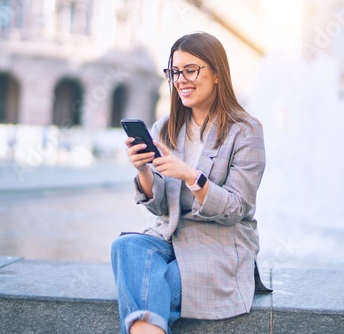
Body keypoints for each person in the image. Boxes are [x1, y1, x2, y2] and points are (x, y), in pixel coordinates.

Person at [111, 32, 270, 334]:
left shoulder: (246, 130)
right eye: (174, 71)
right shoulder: (166, 127)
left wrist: (190, 175)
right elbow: (160, 208)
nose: (181, 79)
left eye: (191, 70)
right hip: (170, 237)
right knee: (126, 246)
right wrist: (144, 170)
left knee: (152, 292)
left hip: (220, 244)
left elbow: (238, 207)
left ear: (218, 75)